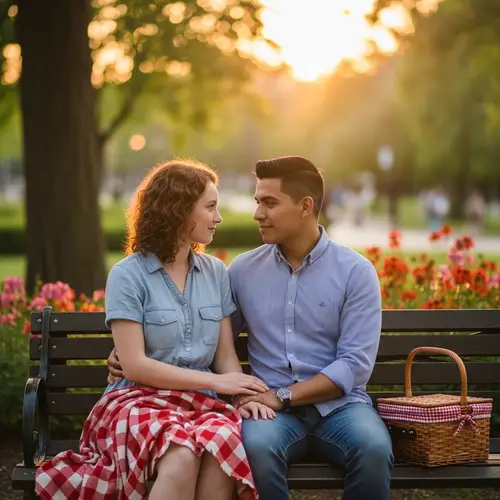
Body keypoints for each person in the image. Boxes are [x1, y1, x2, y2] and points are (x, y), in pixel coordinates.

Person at [108, 156, 394, 500]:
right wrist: (130, 350)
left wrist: (280, 397)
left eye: (269, 203)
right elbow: (207, 332)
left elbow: (354, 366)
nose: (257, 213)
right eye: (258, 201)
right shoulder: (241, 272)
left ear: (305, 206)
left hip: (340, 407)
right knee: (253, 449)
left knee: (374, 450)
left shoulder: (355, 273)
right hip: (267, 410)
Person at [36, 160, 274, 500]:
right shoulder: (127, 275)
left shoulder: (216, 273)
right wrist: (215, 382)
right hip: (136, 400)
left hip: (200, 405)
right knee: (181, 455)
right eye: (210, 207)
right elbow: (134, 366)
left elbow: (224, 356)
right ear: (178, 210)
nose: (218, 217)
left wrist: (241, 393)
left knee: (222, 449)